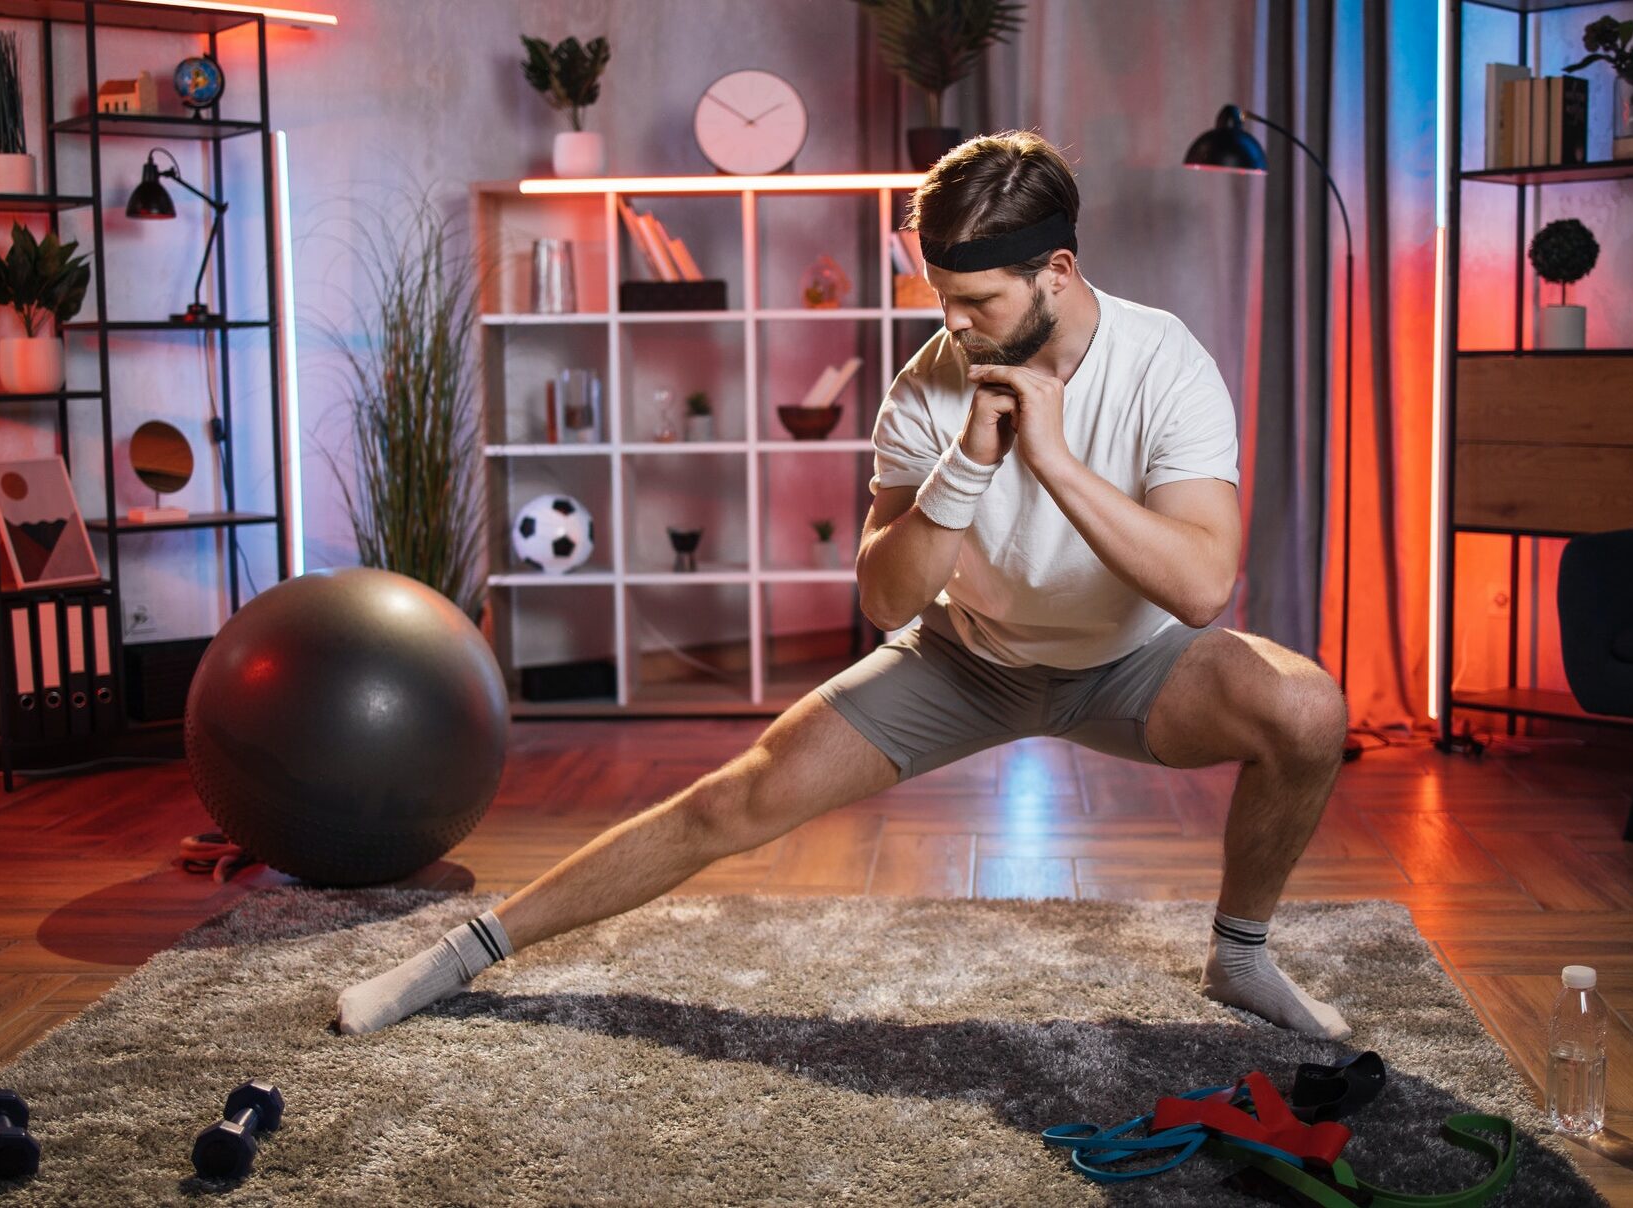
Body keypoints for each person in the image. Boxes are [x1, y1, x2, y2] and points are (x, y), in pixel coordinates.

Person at [337, 131, 1350, 1041]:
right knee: (732, 800)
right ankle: (460, 954)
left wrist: (1053, 457)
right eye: (936, 297)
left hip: (1133, 663)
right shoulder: (926, 385)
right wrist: (967, 464)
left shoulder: (1162, 361)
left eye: (976, 302)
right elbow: (886, 597)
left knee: (1303, 707)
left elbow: (1202, 583)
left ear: (1056, 270)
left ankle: (1240, 954)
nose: (951, 324)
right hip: (968, 659)